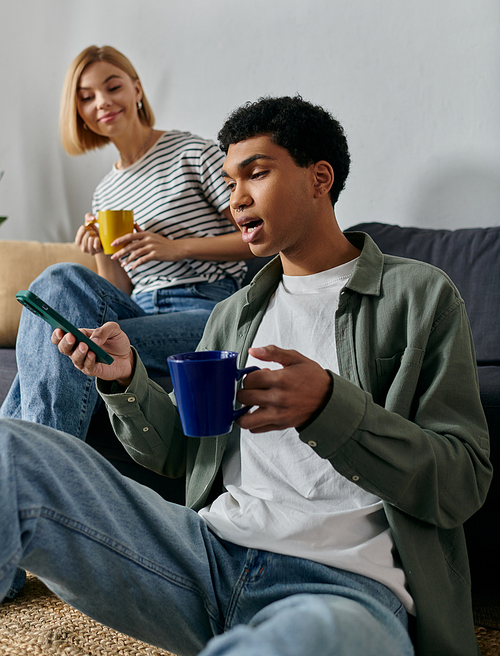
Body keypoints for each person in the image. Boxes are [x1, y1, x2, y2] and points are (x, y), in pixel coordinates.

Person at [0, 96, 491, 656]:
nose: (235, 200)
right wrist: (126, 381)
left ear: (319, 178)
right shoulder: (231, 315)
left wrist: (332, 408)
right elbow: (184, 456)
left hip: (343, 589)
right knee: (10, 452)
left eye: (255, 174)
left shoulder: (420, 297)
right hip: (202, 557)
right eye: (231, 180)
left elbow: (463, 483)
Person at [1, 45, 251, 441]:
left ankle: (30, 464)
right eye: (86, 97)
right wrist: (100, 250)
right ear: (79, 111)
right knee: (60, 282)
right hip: (137, 308)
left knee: (67, 344)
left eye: (112, 86)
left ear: (136, 89)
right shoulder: (105, 192)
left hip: (206, 308)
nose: (102, 102)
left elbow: (256, 238)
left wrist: (177, 247)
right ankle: (31, 464)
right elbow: (118, 290)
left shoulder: (192, 152)